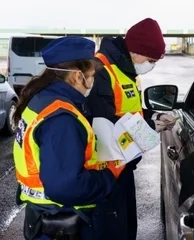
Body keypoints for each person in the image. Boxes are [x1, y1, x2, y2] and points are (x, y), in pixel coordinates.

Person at [12, 36, 124, 240]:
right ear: (76, 76)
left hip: (46, 217)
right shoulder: (62, 118)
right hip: (63, 222)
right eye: (90, 75)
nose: (92, 82)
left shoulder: (43, 99)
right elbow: (65, 186)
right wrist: (109, 176)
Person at [86, 18, 176, 240]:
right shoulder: (101, 72)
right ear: (135, 51)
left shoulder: (126, 71)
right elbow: (105, 126)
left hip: (124, 167)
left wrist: (153, 116)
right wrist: (149, 128)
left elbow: (128, 112)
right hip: (105, 172)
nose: (152, 65)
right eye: (151, 59)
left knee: (127, 231)